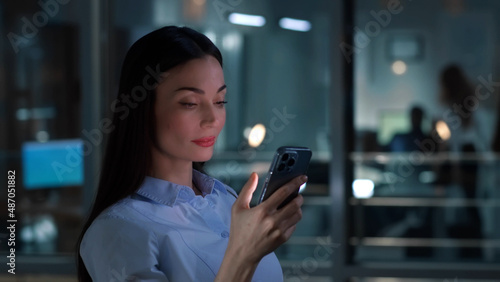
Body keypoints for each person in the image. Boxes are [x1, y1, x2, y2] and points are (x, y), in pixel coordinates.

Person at [76, 26, 306, 281]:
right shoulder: (116, 229)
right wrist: (243, 255)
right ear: (142, 109)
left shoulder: (226, 199)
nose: (212, 119)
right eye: (190, 103)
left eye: (220, 102)